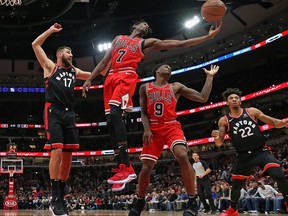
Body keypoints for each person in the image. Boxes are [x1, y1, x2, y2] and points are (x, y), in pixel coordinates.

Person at [82, 19, 222, 192]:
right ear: (134, 26)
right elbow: (104, 62)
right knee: (110, 122)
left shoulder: (146, 43)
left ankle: (126, 166)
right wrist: (90, 78)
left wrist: (207, 37)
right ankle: (120, 166)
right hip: (110, 78)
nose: (146, 26)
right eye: (143, 24)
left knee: (115, 115)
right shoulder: (118, 38)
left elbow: (179, 44)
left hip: (126, 76)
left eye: (148, 26)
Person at [128, 63, 220, 216]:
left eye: (170, 67)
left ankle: (192, 201)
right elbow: (143, 112)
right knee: (145, 168)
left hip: (171, 126)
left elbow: (203, 97)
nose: (169, 68)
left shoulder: (176, 86)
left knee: (183, 155)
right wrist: (146, 129)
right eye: (165, 66)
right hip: (153, 128)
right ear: (157, 71)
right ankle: (140, 200)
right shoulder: (145, 87)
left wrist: (209, 78)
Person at [32, 23, 91, 216]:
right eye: (68, 52)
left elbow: (94, 74)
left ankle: (62, 193)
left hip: (69, 113)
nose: (71, 55)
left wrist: (114, 66)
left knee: (68, 156)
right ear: (59, 55)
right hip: (53, 111)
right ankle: (55, 198)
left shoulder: (74, 71)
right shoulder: (50, 66)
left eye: (72, 53)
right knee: (56, 151)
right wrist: (50, 31)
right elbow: (35, 45)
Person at [211, 88, 288, 216]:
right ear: (227, 103)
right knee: (236, 186)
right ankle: (233, 209)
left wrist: (283, 123)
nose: (234, 99)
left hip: (261, 152)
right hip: (243, 156)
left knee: (278, 175)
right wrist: (216, 138)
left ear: (240, 101)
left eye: (236, 97)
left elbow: (272, 122)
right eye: (231, 98)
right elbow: (219, 143)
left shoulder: (251, 112)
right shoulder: (224, 120)